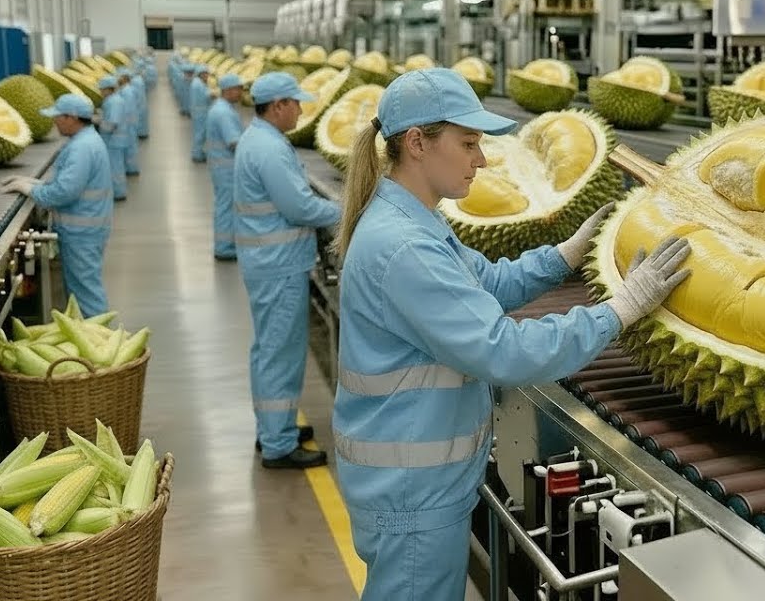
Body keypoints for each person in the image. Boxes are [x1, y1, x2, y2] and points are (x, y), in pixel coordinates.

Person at [330, 68, 691, 601]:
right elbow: (504, 351)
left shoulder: (413, 221)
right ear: (417, 144)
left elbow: (486, 282)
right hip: (412, 493)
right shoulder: (405, 245)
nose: (482, 158)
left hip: (414, 484)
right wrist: (619, 310)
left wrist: (563, 255)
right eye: (469, 143)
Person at [234, 71, 341, 469]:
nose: (300, 110)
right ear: (278, 105)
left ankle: (273, 429)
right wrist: (347, 211)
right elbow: (300, 208)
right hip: (277, 267)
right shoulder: (270, 149)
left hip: (270, 264)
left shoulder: (261, 139)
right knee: (279, 353)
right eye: (296, 103)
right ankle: (278, 443)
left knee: (271, 349)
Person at [1, 93, 114, 316]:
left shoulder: (82, 148)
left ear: (71, 118)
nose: (55, 121)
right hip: (85, 230)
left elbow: (64, 192)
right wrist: (34, 182)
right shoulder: (85, 141)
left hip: (81, 233)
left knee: (86, 295)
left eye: (58, 117)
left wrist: (32, 190)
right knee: (82, 290)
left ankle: (100, 344)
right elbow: (68, 182)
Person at [205, 73, 246, 260]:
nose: (241, 93)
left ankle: (226, 244)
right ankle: (224, 247)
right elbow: (234, 142)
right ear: (228, 90)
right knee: (226, 207)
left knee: (225, 205)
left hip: (222, 167)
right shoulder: (224, 113)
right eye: (238, 89)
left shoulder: (221, 108)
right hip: (226, 169)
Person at [95, 76, 129, 200]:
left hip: (113, 141)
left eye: (102, 90)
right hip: (114, 141)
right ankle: (117, 191)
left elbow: (112, 124)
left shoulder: (114, 102)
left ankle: (118, 193)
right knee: (115, 166)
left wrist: (98, 121)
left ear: (109, 89)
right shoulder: (113, 100)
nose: (101, 92)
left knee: (115, 168)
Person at [189, 65, 214, 163]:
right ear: (201, 74)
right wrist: (215, 94)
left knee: (199, 133)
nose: (207, 76)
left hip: (198, 112)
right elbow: (207, 95)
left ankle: (198, 152)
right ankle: (197, 155)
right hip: (201, 113)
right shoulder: (199, 84)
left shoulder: (197, 82)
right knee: (200, 134)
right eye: (205, 74)